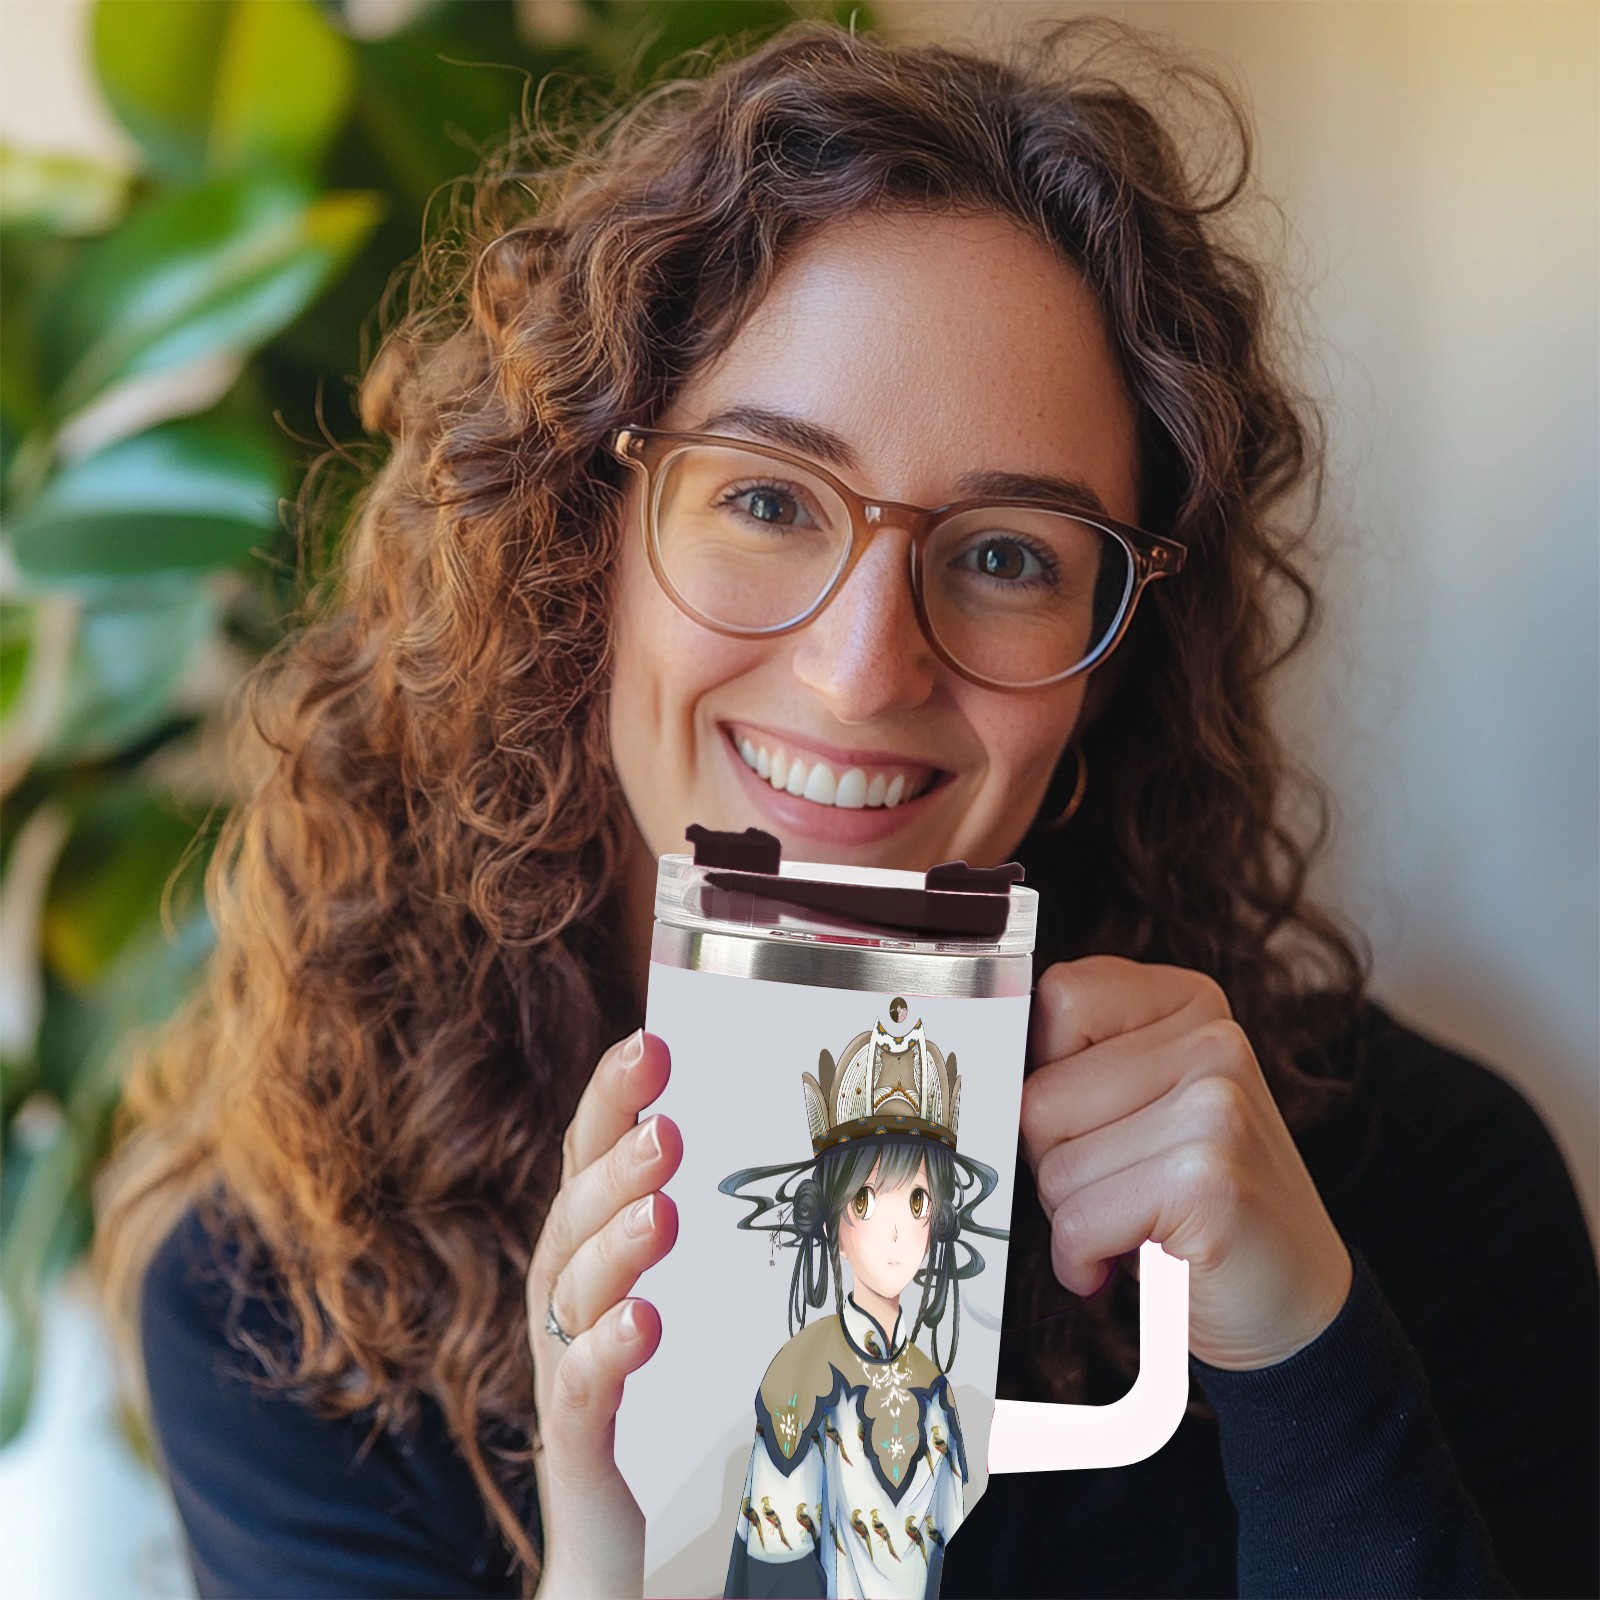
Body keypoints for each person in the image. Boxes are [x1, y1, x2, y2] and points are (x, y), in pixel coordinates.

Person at [95, 17, 1598, 1600]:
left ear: (1112, 662)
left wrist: (1305, 1367)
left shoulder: (1421, 1193)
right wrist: (615, 1564)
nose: (864, 671)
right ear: (580, 547)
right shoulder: (292, 1300)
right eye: (765, 499)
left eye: (1007, 553)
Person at [718, 1017, 1007, 1599]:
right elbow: (776, 1561)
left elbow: (959, 1550)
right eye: (867, 1201)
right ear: (833, 1225)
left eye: (918, 1201)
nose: (896, 1231)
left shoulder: (937, 1387)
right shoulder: (800, 1372)